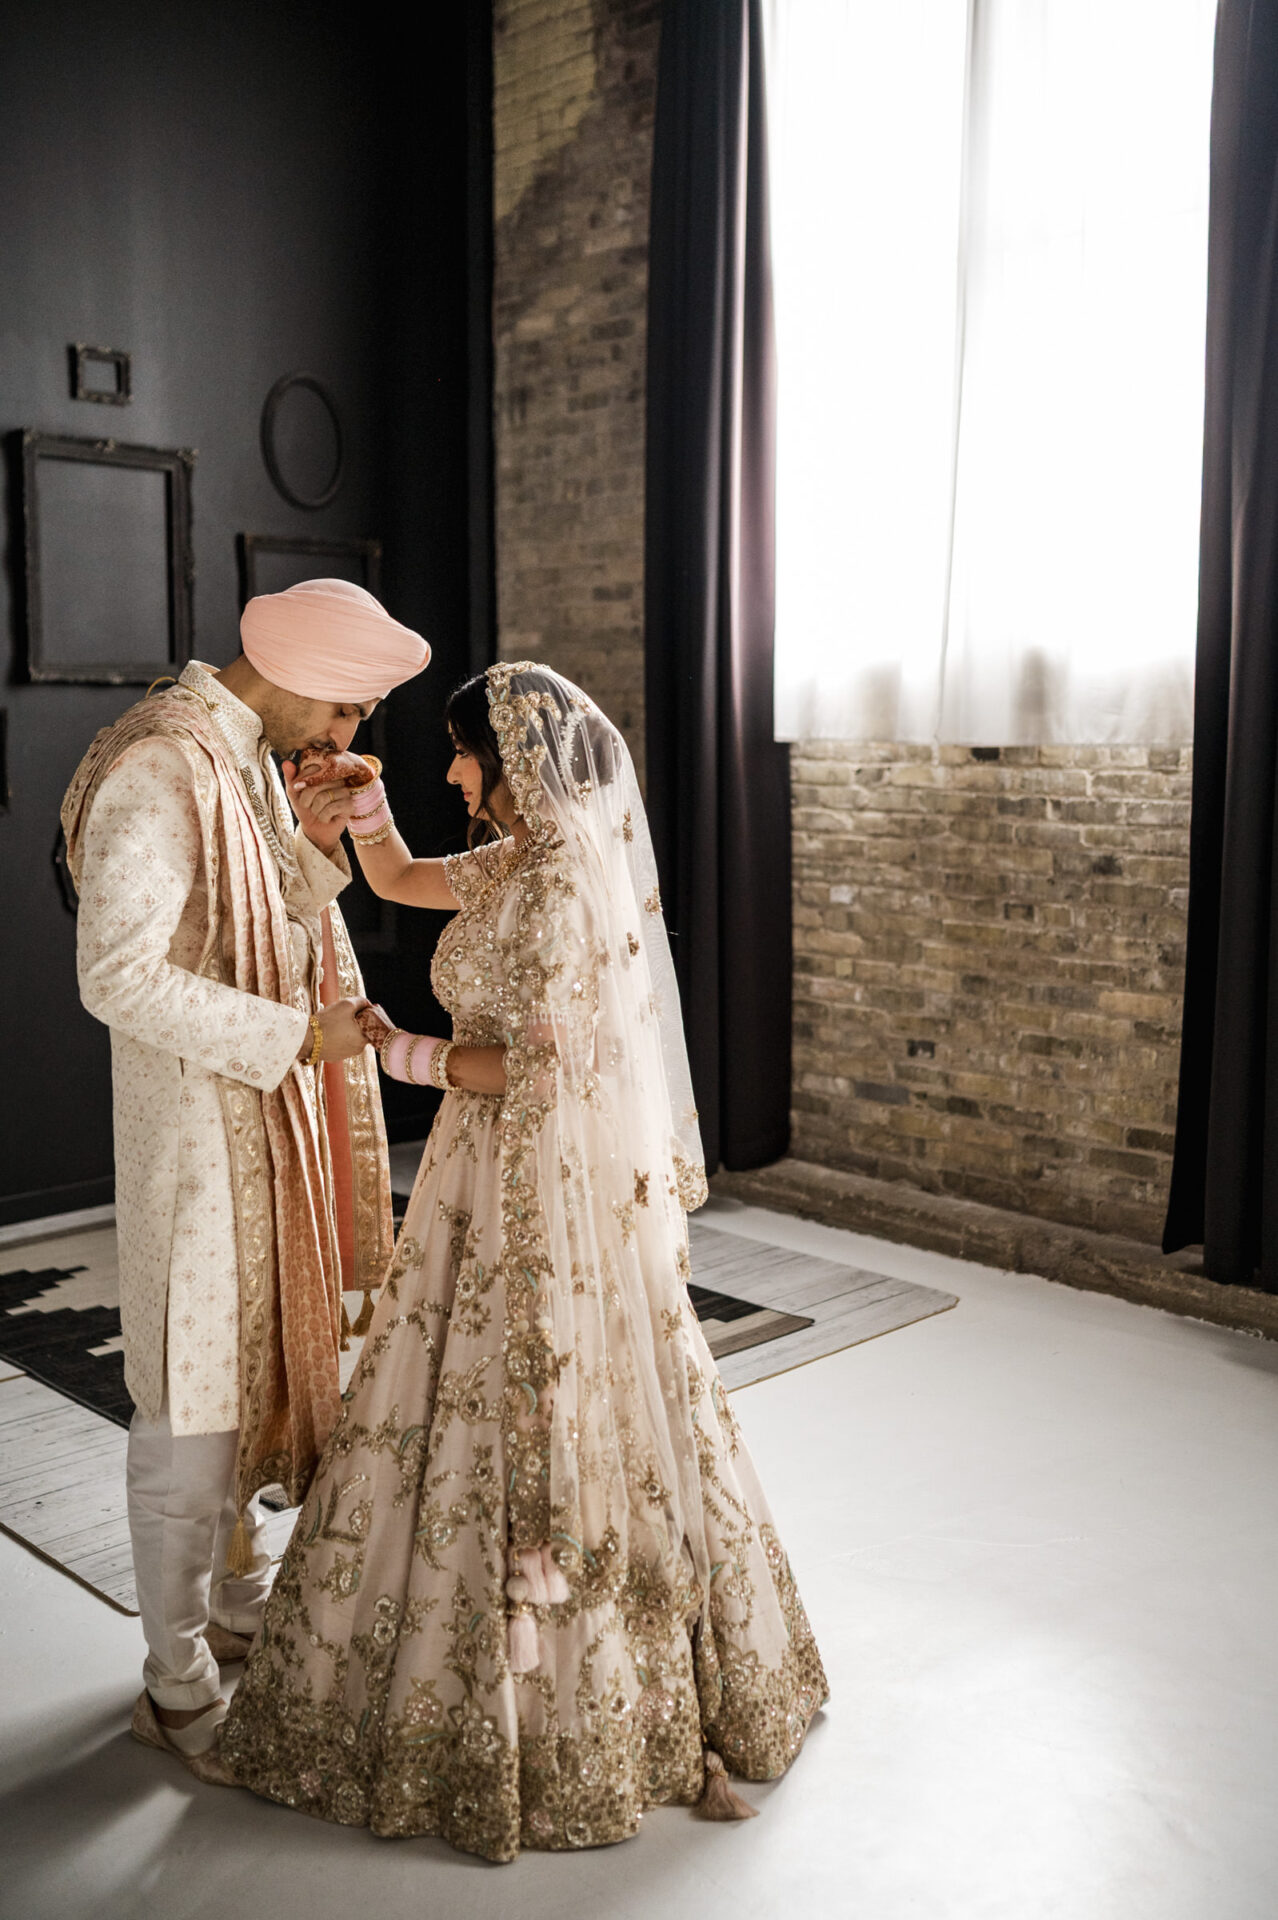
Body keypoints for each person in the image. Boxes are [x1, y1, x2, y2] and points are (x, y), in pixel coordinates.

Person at [220, 661, 827, 1857]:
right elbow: (393, 879)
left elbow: (548, 1071)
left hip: (532, 1182)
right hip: (474, 1171)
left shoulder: (559, 893)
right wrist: (360, 806)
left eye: (460, 753)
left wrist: (401, 1059)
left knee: (543, 1406)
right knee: (438, 1396)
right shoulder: (514, 867)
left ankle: (571, 1693)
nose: (451, 772)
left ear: (511, 759)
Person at [60, 579, 429, 1779]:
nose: (346, 737)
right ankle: (171, 1688)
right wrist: (293, 1040)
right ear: (299, 671)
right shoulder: (161, 771)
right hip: (197, 1141)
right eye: (347, 709)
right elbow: (116, 976)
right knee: (192, 1407)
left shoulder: (237, 763)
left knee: (259, 1370)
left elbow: (261, 923)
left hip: (262, 1128)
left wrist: (317, 855)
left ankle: (232, 1611)